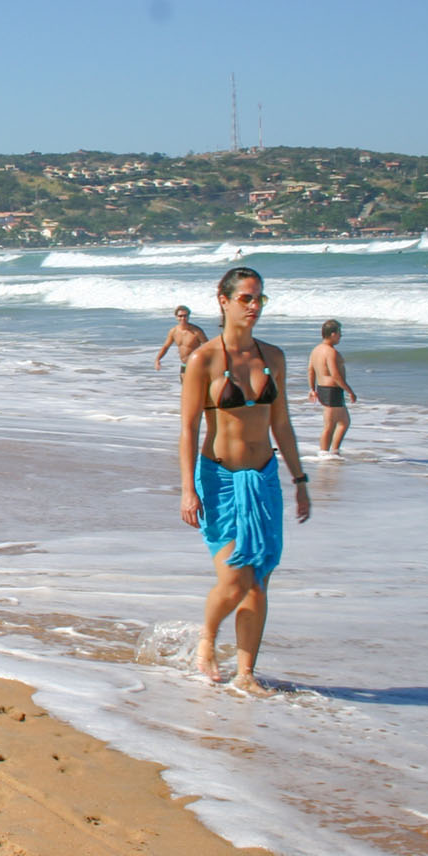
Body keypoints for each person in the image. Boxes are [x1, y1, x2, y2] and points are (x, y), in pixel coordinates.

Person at [178, 266, 311, 695]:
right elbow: (188, 429)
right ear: (224, 301)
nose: (254, 307)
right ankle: (207, 640)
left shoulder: (273, 357)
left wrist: (300, 478)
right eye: (246, 299)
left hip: (264, 479)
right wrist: (187, 488)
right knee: (235, 578)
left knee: (260, 578)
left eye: (260, 299)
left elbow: (283, 424)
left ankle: (247, 672)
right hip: (219, 480)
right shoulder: (205, 359)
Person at [307, 319, 358, 455]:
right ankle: (325, 453)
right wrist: (350, 391)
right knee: (331, 425)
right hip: (332, 391)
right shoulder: (330, 352)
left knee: (343, 422)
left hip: (323, 389)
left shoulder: (316, 350)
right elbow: (335, 375)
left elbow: (310, 370)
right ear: (333, 334)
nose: (341, 336)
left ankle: (333, 452)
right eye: (340, 333)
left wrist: (312, 389)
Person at [154, 305, 208, 377]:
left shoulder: (196, 331)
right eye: (180, 316)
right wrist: (158, 359)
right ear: (176, 317)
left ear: (188, 317)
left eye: (185, 316)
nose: (183, 318)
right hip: (184, 365)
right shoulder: (173, 331)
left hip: (196, 364)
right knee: (184, 387)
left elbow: (207, 346)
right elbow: (166, 346)